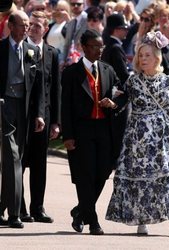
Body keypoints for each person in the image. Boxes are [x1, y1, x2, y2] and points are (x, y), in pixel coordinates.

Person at [104, 31, 169, 235]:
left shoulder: (168, 81)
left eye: (147, 55)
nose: (143, 59)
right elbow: (121, 101)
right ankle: (141, 218)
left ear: (157, 58)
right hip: (137, 138)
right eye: (140, 55)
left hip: (162, 137)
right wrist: (112, 102)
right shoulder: (133, 81)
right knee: (139, 178)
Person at [61, 29, 123, 235]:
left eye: (101, 46)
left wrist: (113, 102)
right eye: (95, 46)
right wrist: (67, 135)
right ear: (84, 47)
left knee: (102, 173)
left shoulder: (108, 70)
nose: (99, 50)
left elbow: (121, 92)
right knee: (85, 175)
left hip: (104, 129)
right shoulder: (71, 73)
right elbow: (66, 106)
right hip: (82, 130)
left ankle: (80, 212)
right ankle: (93, 219)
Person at [0, 10, 45, 228]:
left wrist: (39, 114)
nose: (26, 28)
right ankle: (15, 213)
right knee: (13, 157)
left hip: (23, 108)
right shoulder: (0, 48)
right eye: (22, 24)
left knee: (14, 158)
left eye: (28, 24)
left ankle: (1, 207)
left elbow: (38, 87)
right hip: (3, 105)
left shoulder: (32, 51)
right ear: (10, 25)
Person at [21, 10, 61, 223]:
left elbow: (55, 89)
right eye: (31, 25)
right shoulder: (19, 48)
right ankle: (19, 207)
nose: (34, 29)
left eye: (38, 26)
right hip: (22, 115)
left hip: (44, 117)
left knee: (39, 165)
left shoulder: (52, 53)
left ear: (46, 29)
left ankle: (38, 207)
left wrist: (56, 121)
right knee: (19, 162)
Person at [101, 13, 130, 164]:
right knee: (119, 129)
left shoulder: (108, 45)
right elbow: (123, 74)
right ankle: (116, 160)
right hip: (118, 95)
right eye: (123, 28)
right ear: (116, 30)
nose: (126, 31)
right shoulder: (116, 47)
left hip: (109, 92)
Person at [62, 0, 87, 66]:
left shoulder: (89, 19)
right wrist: (63, 60)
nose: (75, 6)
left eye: (78, 4)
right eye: (73, 4)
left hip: (84, 61)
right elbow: (67, 44)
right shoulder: (71, 22)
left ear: (83, 5)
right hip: (70, 62)